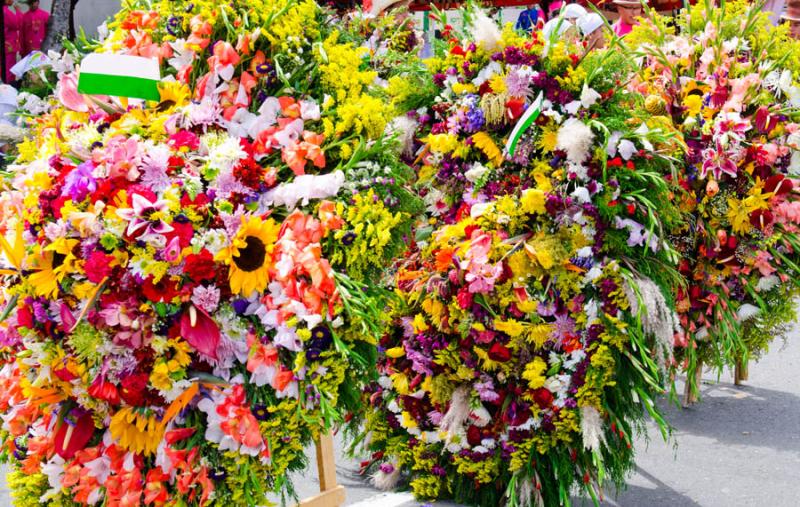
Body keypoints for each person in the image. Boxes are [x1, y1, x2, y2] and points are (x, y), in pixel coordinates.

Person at [3, 0, 22, 83]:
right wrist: (18, 11)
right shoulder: (5, 12)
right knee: (9, 71)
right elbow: (18, 24)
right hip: (8, 47)